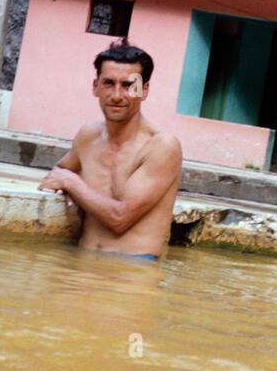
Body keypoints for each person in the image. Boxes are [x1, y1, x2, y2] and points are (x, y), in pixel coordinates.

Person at [38, 41, 182, 261]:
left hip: (131, 272)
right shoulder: (88, 136)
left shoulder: (162, 146)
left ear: (144, 90)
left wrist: (71, 184)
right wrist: (67, 186)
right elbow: (60, 172)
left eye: (128, 85)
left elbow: (120, 218)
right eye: (108, 83)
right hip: (83, 265)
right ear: (95, 86)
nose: (116, 95)